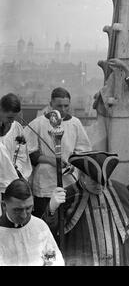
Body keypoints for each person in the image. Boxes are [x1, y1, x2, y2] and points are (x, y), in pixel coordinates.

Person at [43, 151, 129, 266]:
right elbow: (48, 234)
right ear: (81, 175)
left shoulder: (120, 191)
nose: (99, 186)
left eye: (103, 182)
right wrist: (52, 208)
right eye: (94, 181)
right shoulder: (69, 195)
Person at [24, 87, 92, 217]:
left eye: (66, 106)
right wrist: (52, 161)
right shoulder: (38, 123)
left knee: (68, 220)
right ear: (51, 105)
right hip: (45, 183)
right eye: (59, 105)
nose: (63, 109)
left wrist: (73, 164)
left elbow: (83, 150)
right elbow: (30, 153)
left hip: (69, 181)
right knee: (46, 219)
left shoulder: (75, 123)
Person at [0, 179, 64, 266]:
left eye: (28, 208)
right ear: (4, 206)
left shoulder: (40, 226)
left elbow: (51, 258)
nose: (23, 215)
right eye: (17, 210)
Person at [0, 94, 32, 181]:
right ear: (0, 110)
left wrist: (17, 169)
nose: (12, 121)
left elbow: (22, 155)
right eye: (9, 117)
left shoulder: (17, 128)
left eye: (14, 117)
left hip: (11, 179)